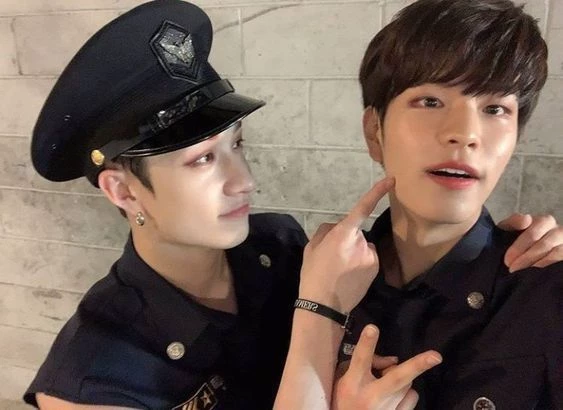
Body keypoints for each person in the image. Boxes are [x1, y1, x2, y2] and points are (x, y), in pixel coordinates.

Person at [23, 0, 563, 409]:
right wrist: (319, 312)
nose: (246, 182)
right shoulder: (92, 372)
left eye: (238, 146)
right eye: (202, 159)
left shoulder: (282, 250)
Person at [275, 0, 562, 409]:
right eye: (430, 101)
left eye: (495, 108)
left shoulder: (546, 296)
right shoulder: (308, 282)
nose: (465, 133)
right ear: (375, 131)